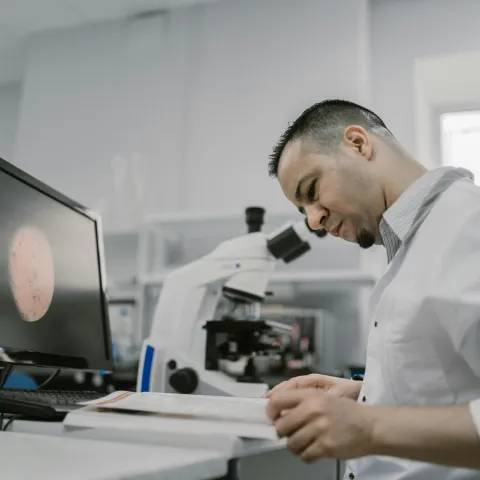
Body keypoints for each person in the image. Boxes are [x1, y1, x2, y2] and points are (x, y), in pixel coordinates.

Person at [265, 99, 480, 479]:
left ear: (359, 144)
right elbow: (453, 385)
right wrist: (365, 395)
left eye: (312, 190)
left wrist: (369, 427)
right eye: (303, 211)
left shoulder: (467, 227)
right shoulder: (416, 243)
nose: (314, 221)